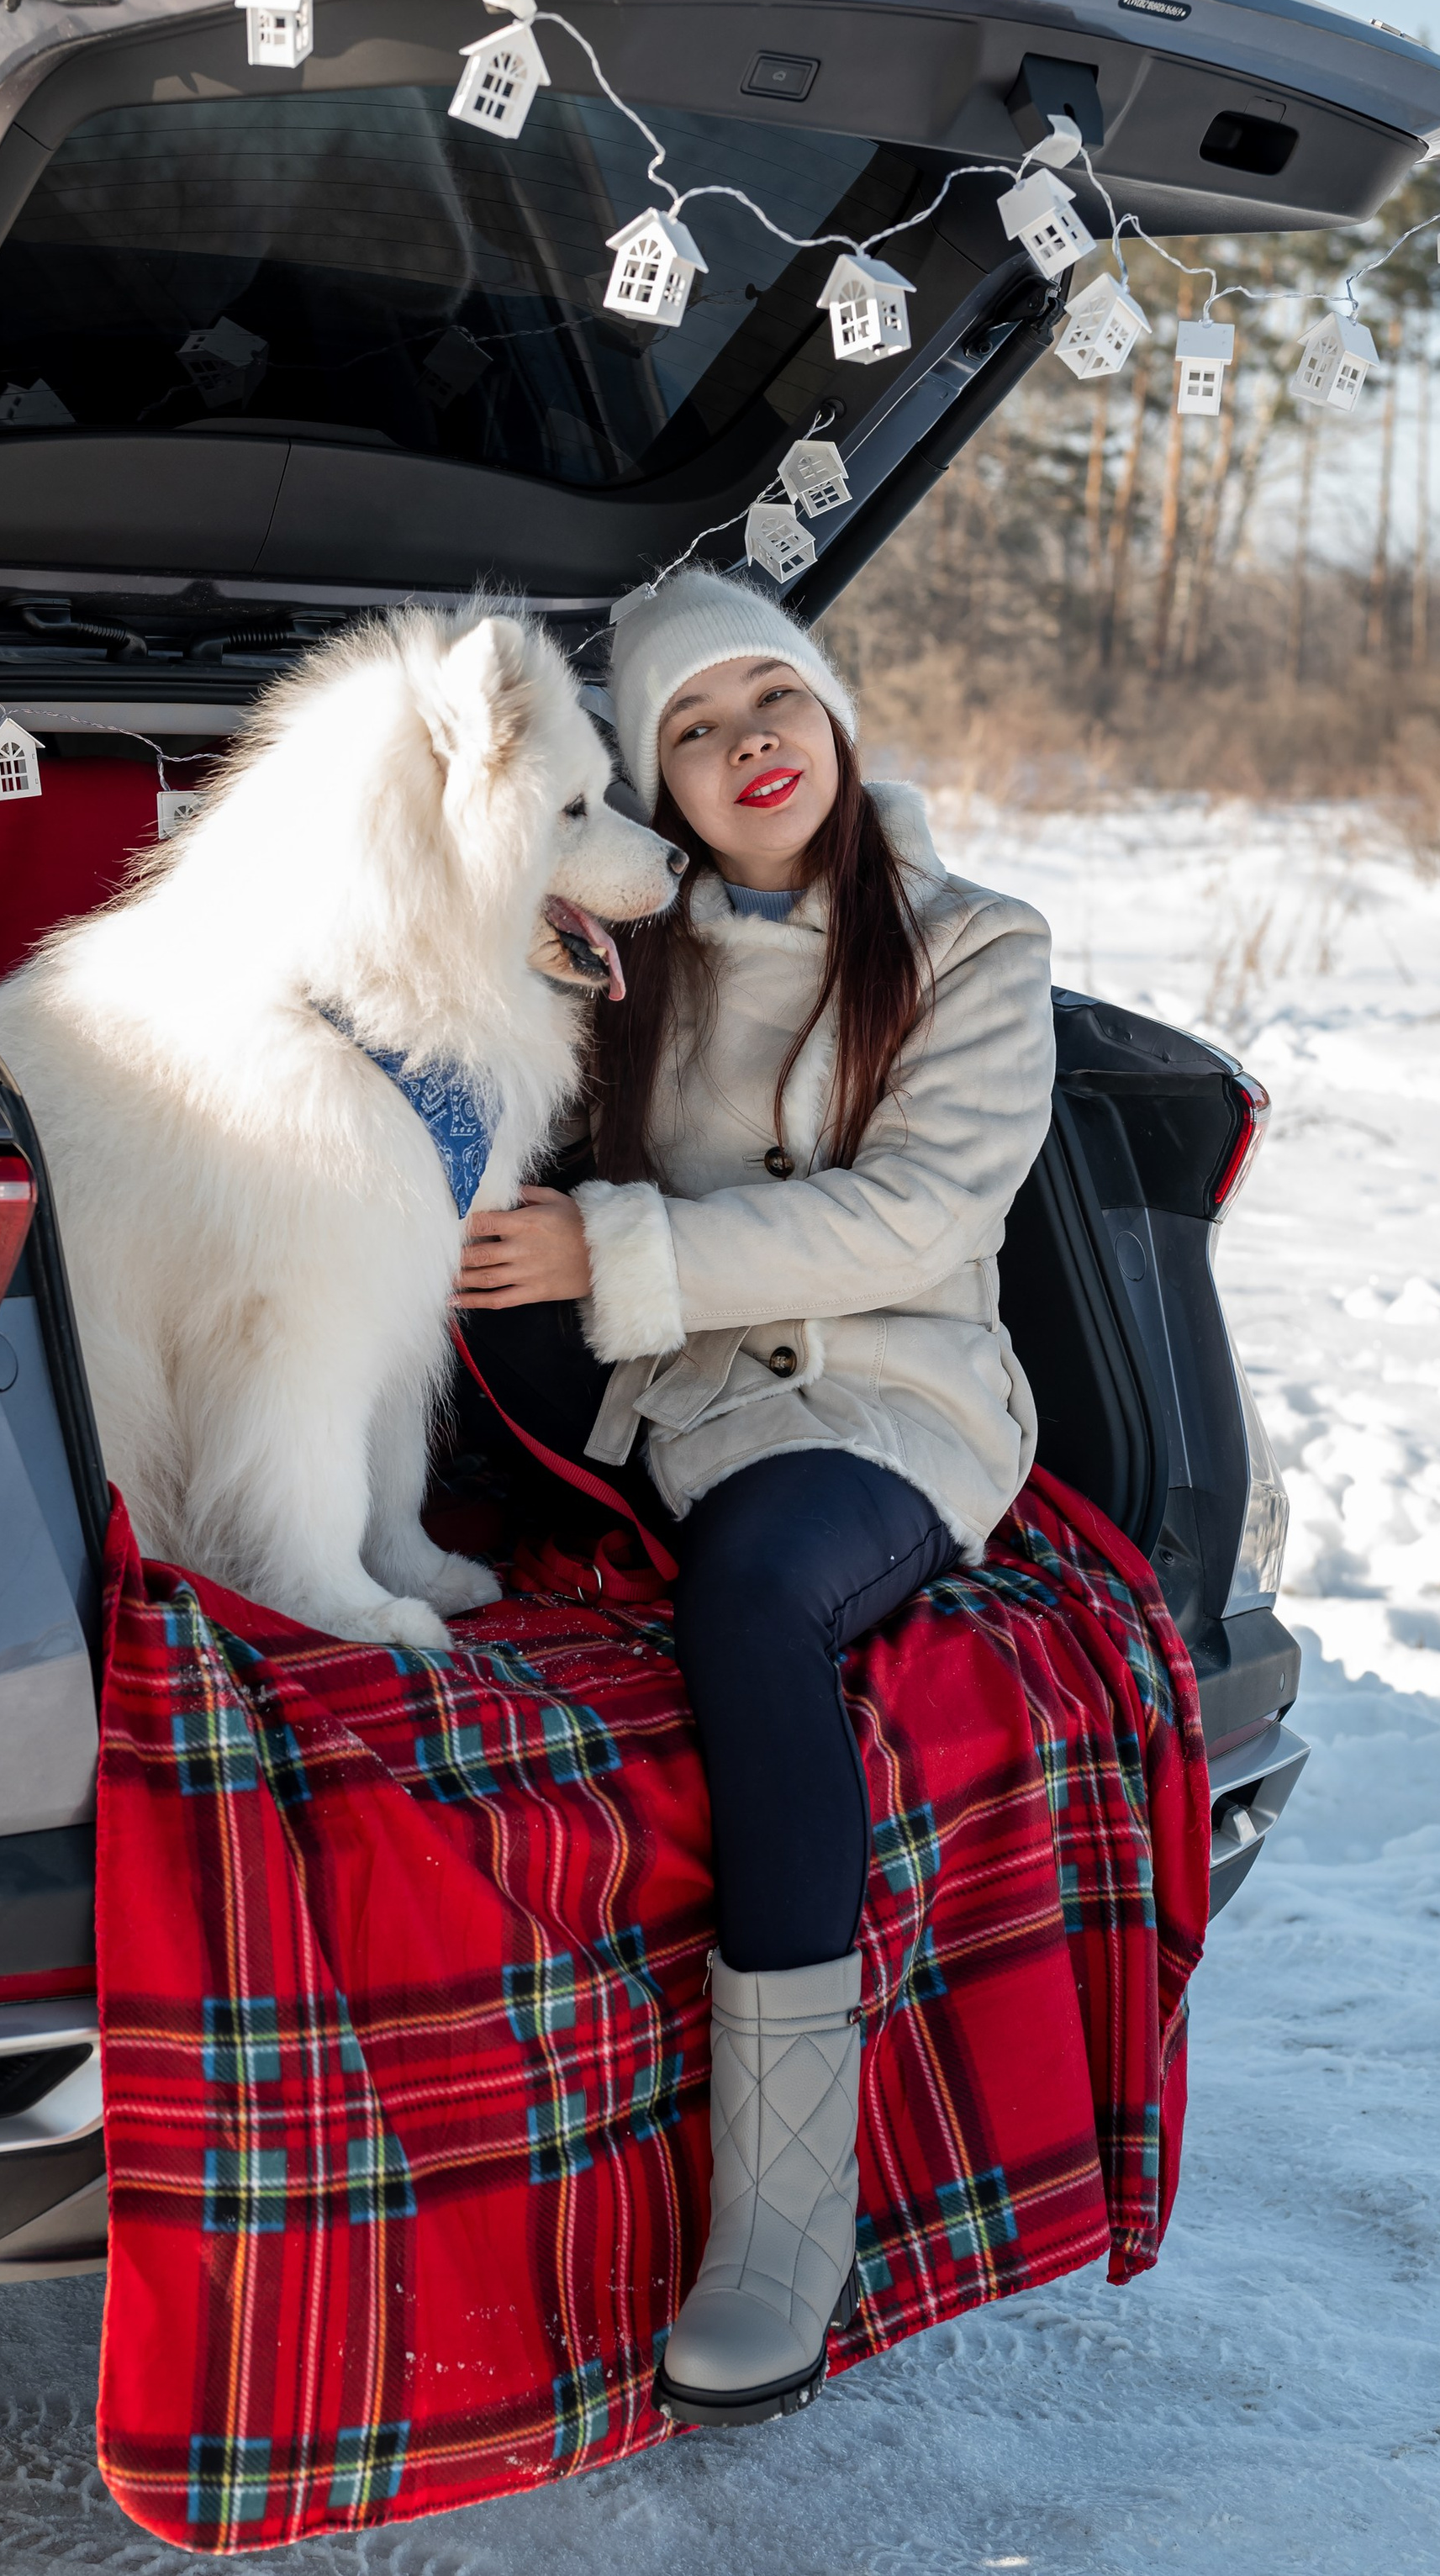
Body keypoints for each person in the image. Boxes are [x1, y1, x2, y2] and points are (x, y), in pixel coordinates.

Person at [455, 567, 1055, 2426]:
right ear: (658, 787)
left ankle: (782, 2211)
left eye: (765, 705)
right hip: (675, 1394)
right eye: (692, 734)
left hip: (889, 1401)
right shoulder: (621, 952)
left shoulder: (971, 944)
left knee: (752, 1598)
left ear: (831, 719)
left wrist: (604, 1249)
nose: (743, 749)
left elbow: (918, 1218)